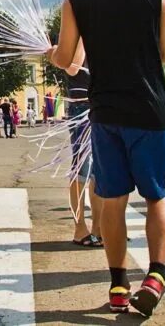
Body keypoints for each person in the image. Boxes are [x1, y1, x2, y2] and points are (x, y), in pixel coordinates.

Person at [48, 0, 165, 316]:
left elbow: (67, 58)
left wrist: (53, 52)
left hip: (105, 112)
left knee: (113, 201)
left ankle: (119, 285)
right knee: (158, 196)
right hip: (151, 109)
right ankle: (155, 275)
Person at [65, 45, 102, 248]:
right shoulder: (77, 33)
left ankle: (98, 228)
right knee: (82, 168)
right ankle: (80, 228)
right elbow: (72, 67)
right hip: (82, 106)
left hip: (103, 103)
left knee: (100, 170)